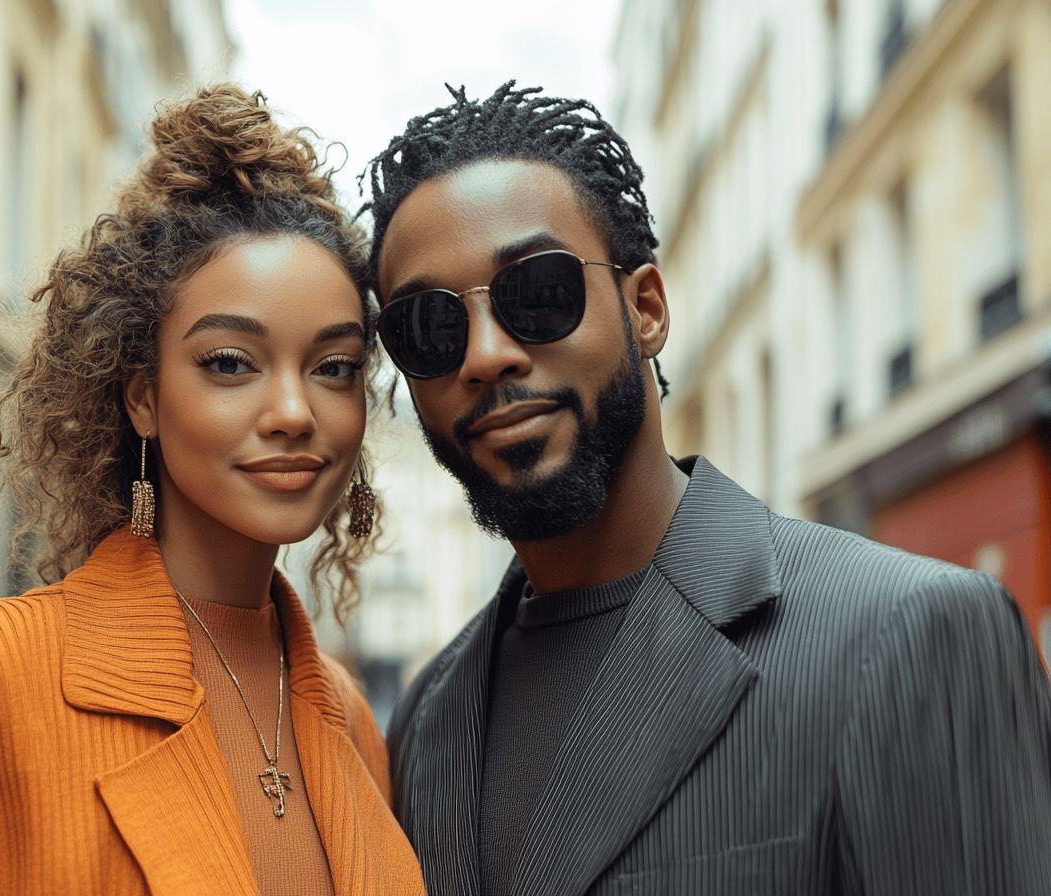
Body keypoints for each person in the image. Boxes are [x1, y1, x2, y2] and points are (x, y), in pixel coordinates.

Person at [364, 82, 1051, 895]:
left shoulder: (910, 634)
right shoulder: (425, 721)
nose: (485, 355)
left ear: (646, 308)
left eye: (538, 295)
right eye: (430, 328)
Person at [0, 85, 424, 896]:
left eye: (332, 367)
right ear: (142, 396)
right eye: (230, 362)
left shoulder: (351, 723)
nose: (295, 412)